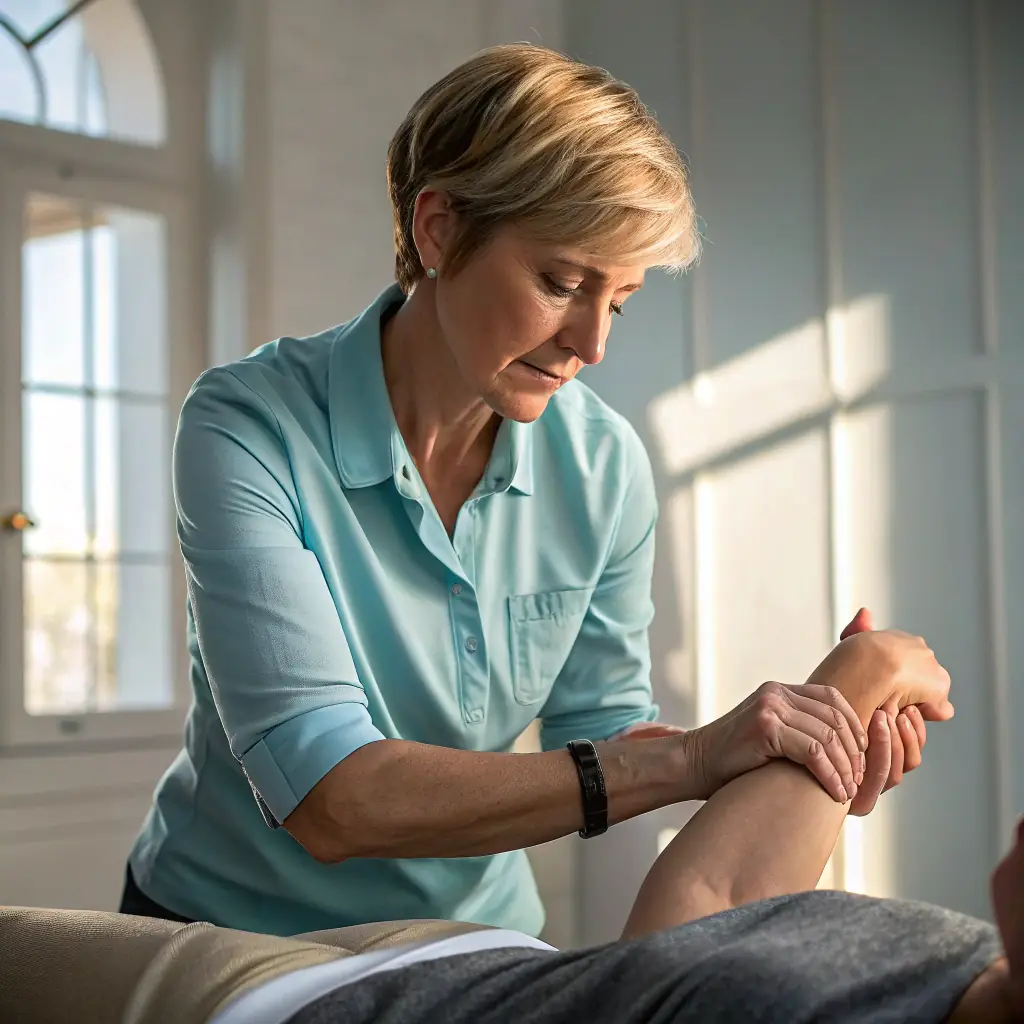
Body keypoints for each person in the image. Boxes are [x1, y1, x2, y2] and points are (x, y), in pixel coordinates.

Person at [123, 43, 932, 937]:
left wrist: (803, 751)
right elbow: (331, 800)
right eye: (562, 282)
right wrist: (699, 757)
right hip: (224, 933)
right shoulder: (248, 427)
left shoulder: (603, 465)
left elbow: (608, 740)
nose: (592, 345)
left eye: (618, 300)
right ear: (437, 230)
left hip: (472, 938)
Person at [6, 627, 1017, 1023]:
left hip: (276, 1004)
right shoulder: (974, 968)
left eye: (611, 299)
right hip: (453, 952)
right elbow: (720, 914)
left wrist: (838, 691)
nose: (590, 336)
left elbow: (692, 945)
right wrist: (839, 710)